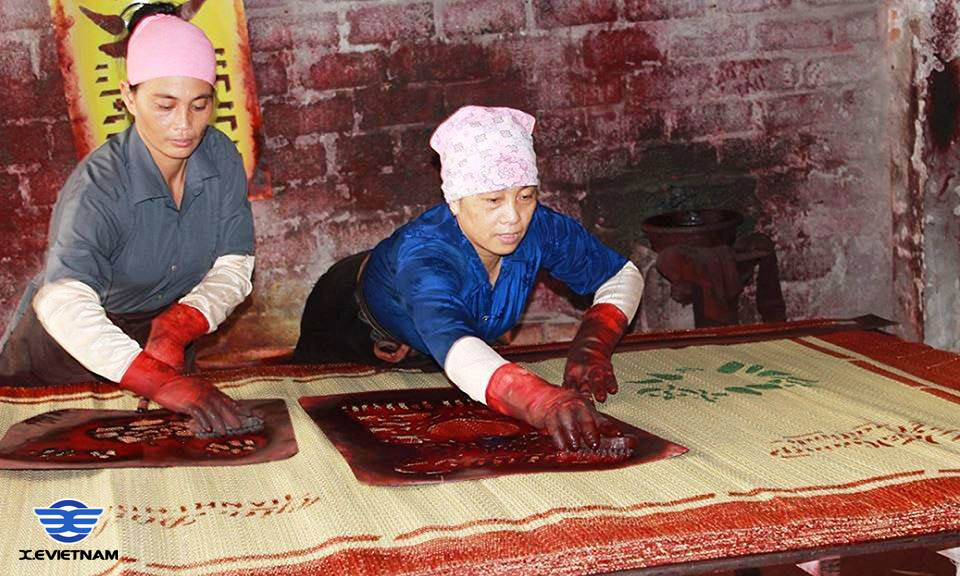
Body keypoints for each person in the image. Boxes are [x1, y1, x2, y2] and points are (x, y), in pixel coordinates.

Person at [295, 106, 644, 451]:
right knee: (326, 431)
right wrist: (539, 399)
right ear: (456, 201)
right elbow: (460, 352)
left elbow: (622, 275)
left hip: (439, 346)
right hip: (349, 321)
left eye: (525, 195)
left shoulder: (540, 226)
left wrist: (593, 345)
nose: (513, 218)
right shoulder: (425, 256)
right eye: (493, 200)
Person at [0, 3, 254, 437]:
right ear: (128, 97)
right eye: (165, 105)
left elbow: (235, 265)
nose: (184, 125)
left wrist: (178, 326)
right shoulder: (99, 186)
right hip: (68, 353)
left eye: (199, 105)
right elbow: (64, 304)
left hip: (161, 339)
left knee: (176, 469)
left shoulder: (221, 157)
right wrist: (158, 380)